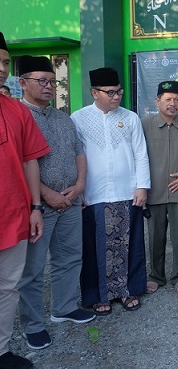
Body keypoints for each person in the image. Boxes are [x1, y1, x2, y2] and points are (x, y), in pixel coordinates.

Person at [16, 56, 94, 351]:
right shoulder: (20, 116)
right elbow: (23, 163)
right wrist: (47, 195)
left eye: (53, 81)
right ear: (23, 82)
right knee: (33, 270)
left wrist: (80, 185)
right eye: (42, 81)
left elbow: (79, 154)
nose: (49, 86)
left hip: (71, 200)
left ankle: (63, 307)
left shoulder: (64, 118)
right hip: (40, 206)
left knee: (70, 258)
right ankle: (33, 325)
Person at [71, 67, 150, 315]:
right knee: (94, 247)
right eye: (111, 92)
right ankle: (99, 295)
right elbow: (76, 156)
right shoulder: (78, 118)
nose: (117, 97)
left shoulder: (130, 118)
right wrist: (79, 190)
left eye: (119, 92)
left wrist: (142, 186)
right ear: (95, 93)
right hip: (93, 194)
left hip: (127, 192)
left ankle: (128, 291)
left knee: (131, 243)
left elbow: (140, 153)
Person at [0, 32, 50, 369]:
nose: (0, 68)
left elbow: (31, 159)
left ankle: (1, 350)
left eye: (4, 62)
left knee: (7, 287)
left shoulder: (16, 111)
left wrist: (35, 207)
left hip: (13, 215)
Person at [142, 81, 178, 294]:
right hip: (153, 191)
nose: (172, 103)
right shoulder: (145, 124)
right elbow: (138, 156)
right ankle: (156, 275)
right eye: (167, 99)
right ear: (157, 101)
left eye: (176, 99)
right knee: (155, 236)